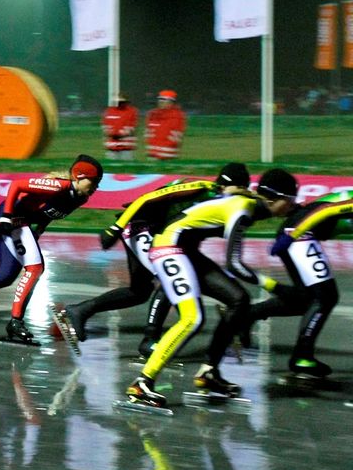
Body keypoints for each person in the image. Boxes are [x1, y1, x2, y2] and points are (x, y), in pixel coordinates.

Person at [125, 169, 298, 408]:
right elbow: (234, 264)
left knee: (239, 300)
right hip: (168, 248)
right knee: (192, 319)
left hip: (185, 249)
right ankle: (142, 383)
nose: (292, 205)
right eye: (289, 200)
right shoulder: (243, 210)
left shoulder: (251, 206)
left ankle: (209, 372)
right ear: (271, 199)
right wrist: (276, 287)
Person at [52, 163, 251, 354]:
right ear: (224, 184)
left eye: (245, 190)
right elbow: (146, 198)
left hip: (157, 232)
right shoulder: (202, 188)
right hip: (141, 226)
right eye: (239, 188)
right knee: (169, 275)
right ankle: (150, 339)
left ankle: (79, 311)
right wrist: (115, 228)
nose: (241, 194)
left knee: (139, 291)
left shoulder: (229, 204)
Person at [0, 155, 103, 344]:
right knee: (35, 268)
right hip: (12, 217)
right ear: (79, 177)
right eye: (95, 181)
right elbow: (16, 186)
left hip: (21, 221)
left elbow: (47, 214)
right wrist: (7, 218)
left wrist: (38, 233)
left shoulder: (79, 198)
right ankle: (16, 323)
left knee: (4, 276)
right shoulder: (59, 186)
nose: (97, 186)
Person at [248, 189, 353, 379]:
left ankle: (248, 314)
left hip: (301, 230)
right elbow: (324, 211)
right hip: (298, 233)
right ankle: (302, 357)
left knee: (308, 300)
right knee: (325, 297)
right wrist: (293, 236)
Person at [145, 89, 186, 160]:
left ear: (171, 102)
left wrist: (165, 147)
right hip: (152, 153)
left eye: (164, 101)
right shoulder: (152, 113)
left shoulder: (177, 115)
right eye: (160, 101)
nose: (161, 103)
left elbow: (176, 135)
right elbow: (149, 131)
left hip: (167, 154)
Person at [101, 94, 139, 160]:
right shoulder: (109, 111)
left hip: (126, 147)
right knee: (112, 168)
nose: (120, 104)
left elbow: (131, 126)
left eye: (122, 102)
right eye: (119, 101)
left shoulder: (132, 111)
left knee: (126, 168)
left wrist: (119, 134)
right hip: (112, 146)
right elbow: (105, 126)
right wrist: (111, 133)